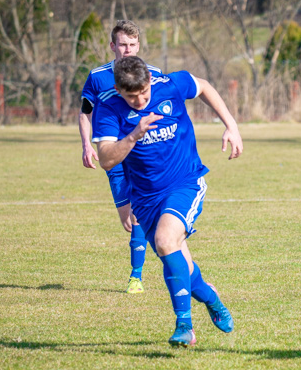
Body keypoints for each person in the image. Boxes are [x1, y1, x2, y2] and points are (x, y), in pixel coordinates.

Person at [93, 56, 243, 347]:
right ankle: (213, 300)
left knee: (164, 240)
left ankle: (184, 326)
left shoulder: (171, 85)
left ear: (150, 81)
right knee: (181, 267)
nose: (139, 101)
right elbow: (106, 159)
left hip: (185, 182)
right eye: (131, 97)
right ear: (119, 89)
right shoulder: (108, 106)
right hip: (146, 198)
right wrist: (134, 135)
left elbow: (204, 87)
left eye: (144, 94)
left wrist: (231, 125)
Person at [79, 20, 158, 294]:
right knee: (128, 221)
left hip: (142, 153)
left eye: (133, 45)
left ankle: (136, 277)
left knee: (137, 216)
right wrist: (86, 144)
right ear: (113, 46)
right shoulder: (98, 77)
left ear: (139, 45)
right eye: (122, 44)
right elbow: (85, 112)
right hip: (112, 154)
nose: (128, 50)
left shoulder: (154, 73)